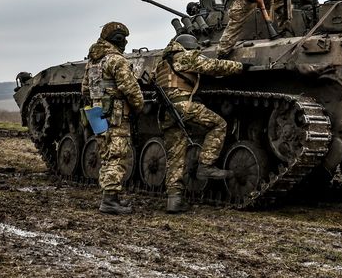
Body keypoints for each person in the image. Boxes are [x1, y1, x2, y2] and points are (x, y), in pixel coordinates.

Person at [155, 33, 245, 213]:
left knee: (176, 156)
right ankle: (206, 165)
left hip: (167, 111)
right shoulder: (185, 56)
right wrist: (240, 66)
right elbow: (213, 66)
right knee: (219, 125)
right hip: (184, 106)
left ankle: (174, 200)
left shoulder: (162, 64)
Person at [81, 21, 144, 215]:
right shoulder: (116, 60)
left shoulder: (93, 61)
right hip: (116, 115)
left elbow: (84, 89)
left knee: (107, 154)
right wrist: (139, 106)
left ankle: (112, 197)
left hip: (98, 114)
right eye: (122, 39)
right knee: (117, 155)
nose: (124, 42)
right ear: (117, 41)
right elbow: (130, 88)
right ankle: (109, 200)